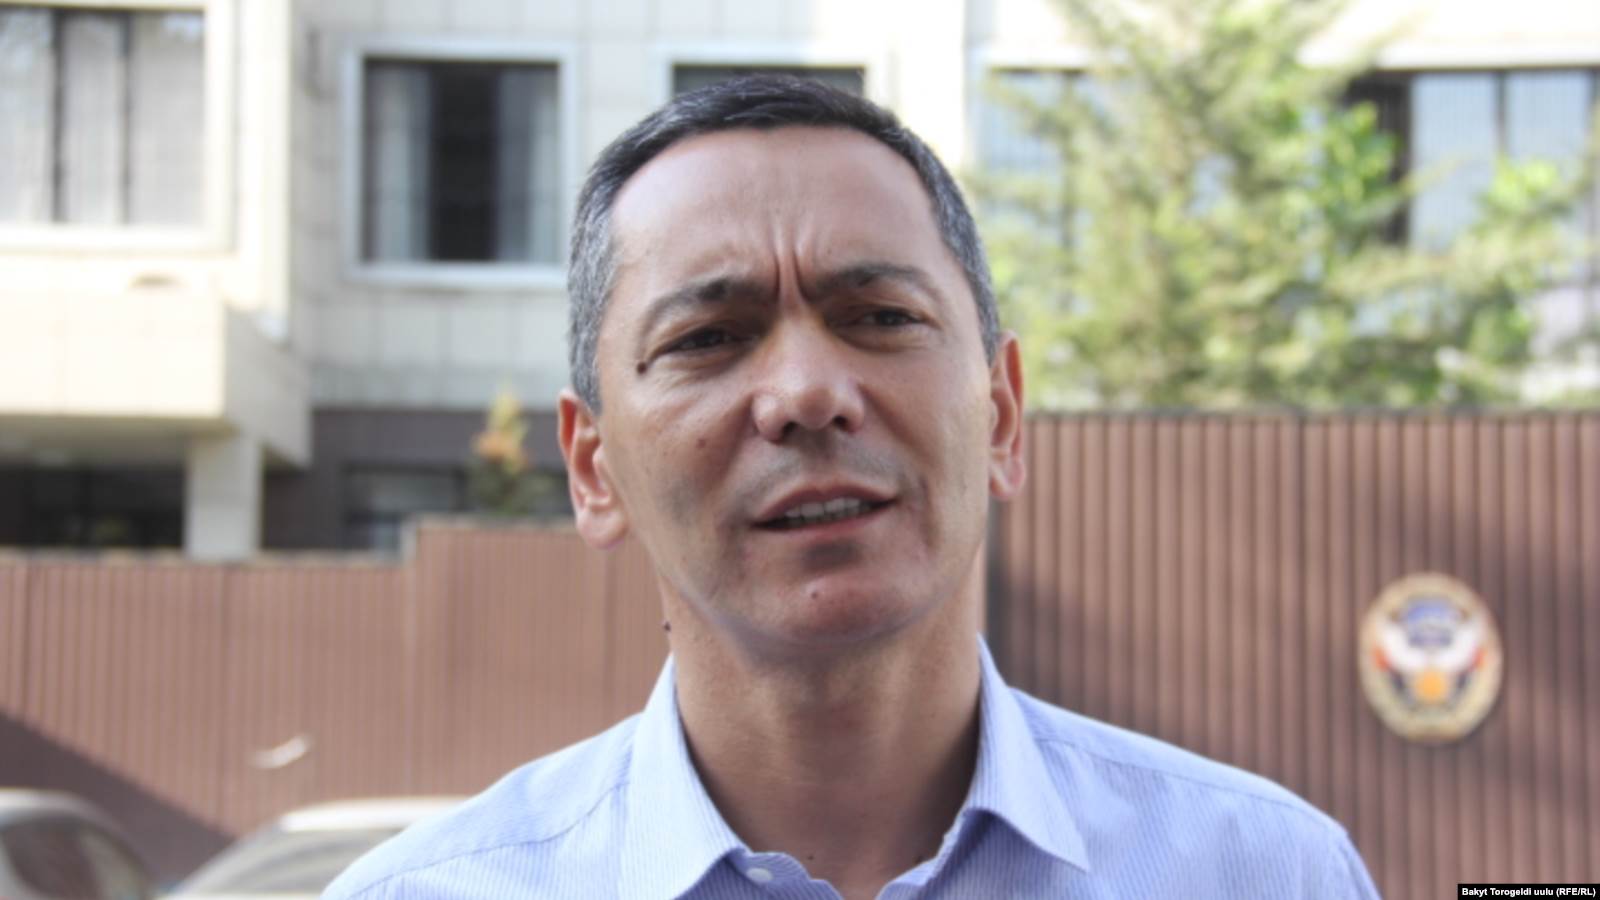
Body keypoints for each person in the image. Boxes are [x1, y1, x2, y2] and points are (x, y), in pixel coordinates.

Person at [324, 75, 1379, 900]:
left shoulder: (1267, 873)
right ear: (593, 468)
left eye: (879, 317)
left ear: (1002, 415)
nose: (807, 394)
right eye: (708, 338)